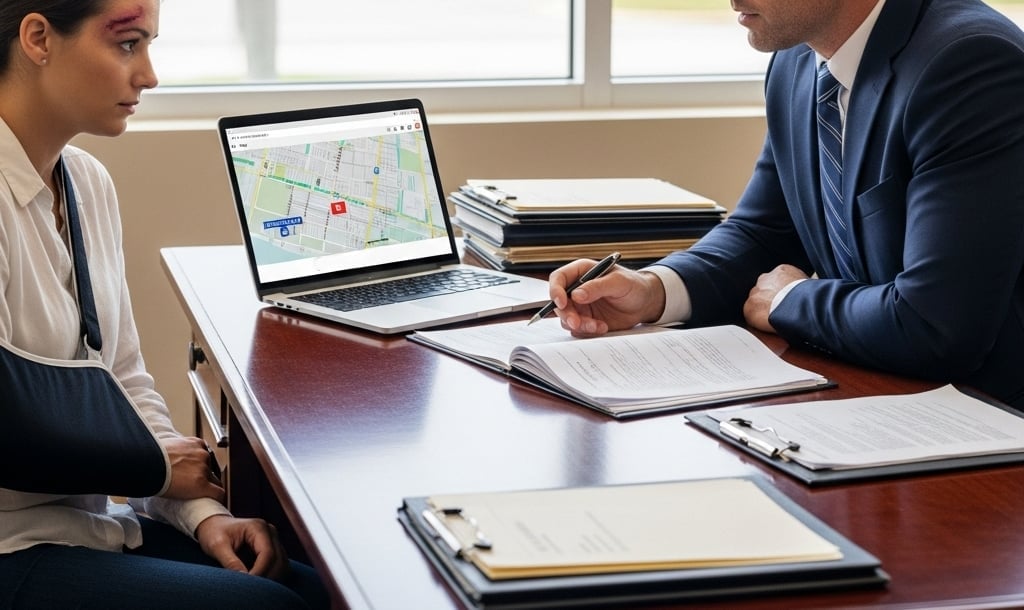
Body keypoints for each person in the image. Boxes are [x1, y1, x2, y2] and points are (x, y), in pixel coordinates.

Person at [0, 1, 328, 607]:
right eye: (128, 45)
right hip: (11, 544)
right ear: (39, 38)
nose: (148, 74)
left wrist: (203, 516)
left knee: (307, 583)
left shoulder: (87, 183)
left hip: (81, 527)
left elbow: (122, 381)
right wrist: (148, 468)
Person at [549, 0, 1024, 409]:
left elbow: (934, 326)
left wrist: (789, 300)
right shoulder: (798, 60)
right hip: (881, 396)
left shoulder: (968, 64)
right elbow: (765, 231)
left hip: (992, 424)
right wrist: (652, 291)